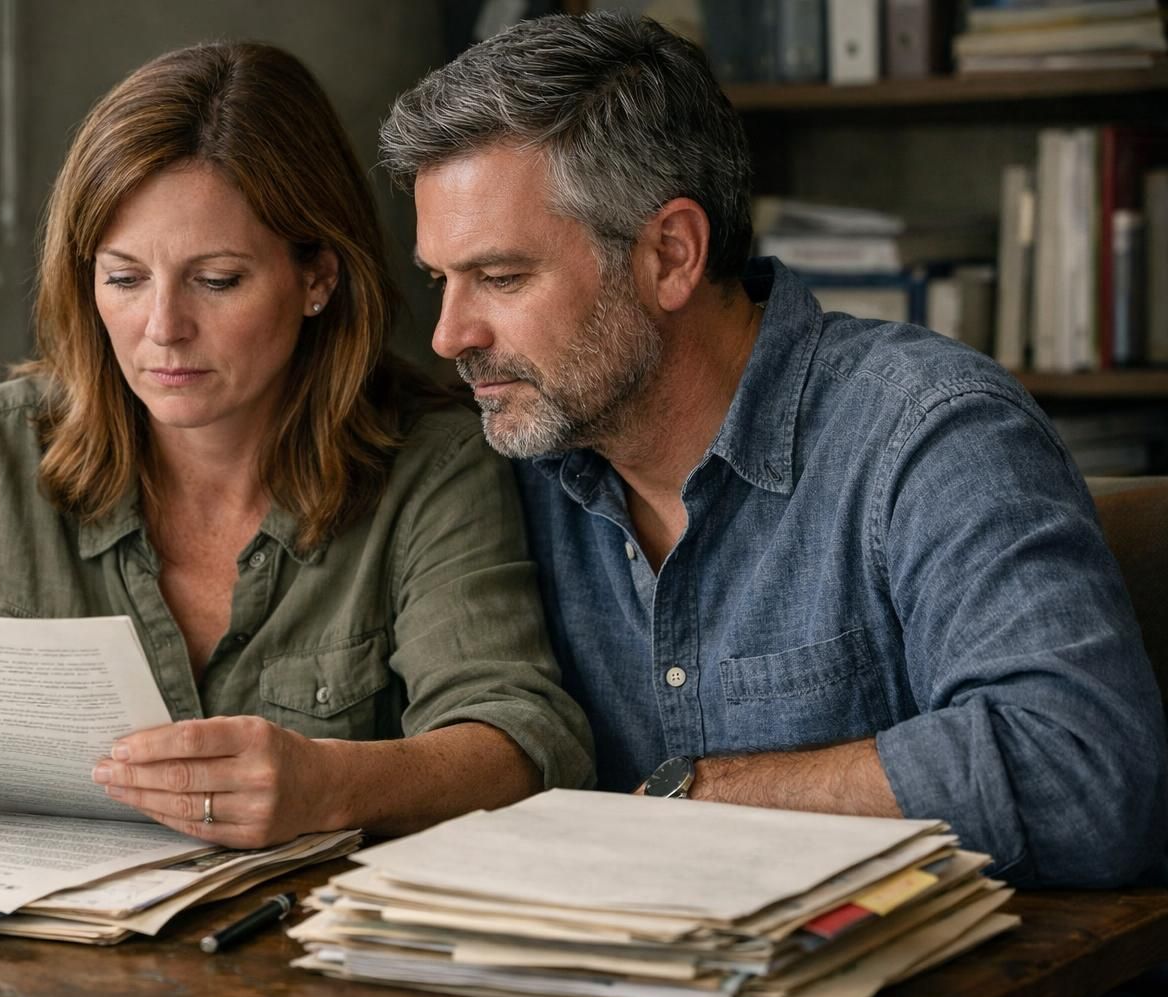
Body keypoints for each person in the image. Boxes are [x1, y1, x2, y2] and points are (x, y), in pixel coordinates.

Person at [0, 41, 594, 849]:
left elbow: (517, 738)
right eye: (125, 278)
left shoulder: (431, 464)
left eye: (217, 280)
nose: (162, 329)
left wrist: (332, 783)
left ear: (317, 277)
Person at [379, 10, 1168, 886]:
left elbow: (1087, 776)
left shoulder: (931, 431)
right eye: (438, 281)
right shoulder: (497, 474)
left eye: (500, 277)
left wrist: (701, 797)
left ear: (671, 255)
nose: (450, 334)